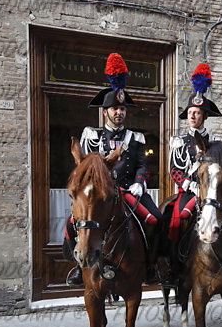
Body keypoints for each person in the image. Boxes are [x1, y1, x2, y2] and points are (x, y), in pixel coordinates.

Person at [64, 52, 161, 287]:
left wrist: (140, 182)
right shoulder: (91, 135)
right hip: (99, 193)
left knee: (156, 220)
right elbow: (85, 166)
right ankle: (79, 267)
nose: (119, 112)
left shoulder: (135, 137)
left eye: (123, 109)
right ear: (105, 111)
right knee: (70, 224)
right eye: (114, 108)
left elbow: (142, 165)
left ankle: (150, 266)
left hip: (129, 191)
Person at [159, 63, 222, 281]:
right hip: (188, 193)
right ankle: (174, 264)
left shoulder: (215, 142)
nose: (192, 116)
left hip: (211, 194)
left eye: (197, 113)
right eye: (190, 113)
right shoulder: (178, 141)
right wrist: (189, 184)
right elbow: (174, 169)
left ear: (205, 116)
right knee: (177, 221)